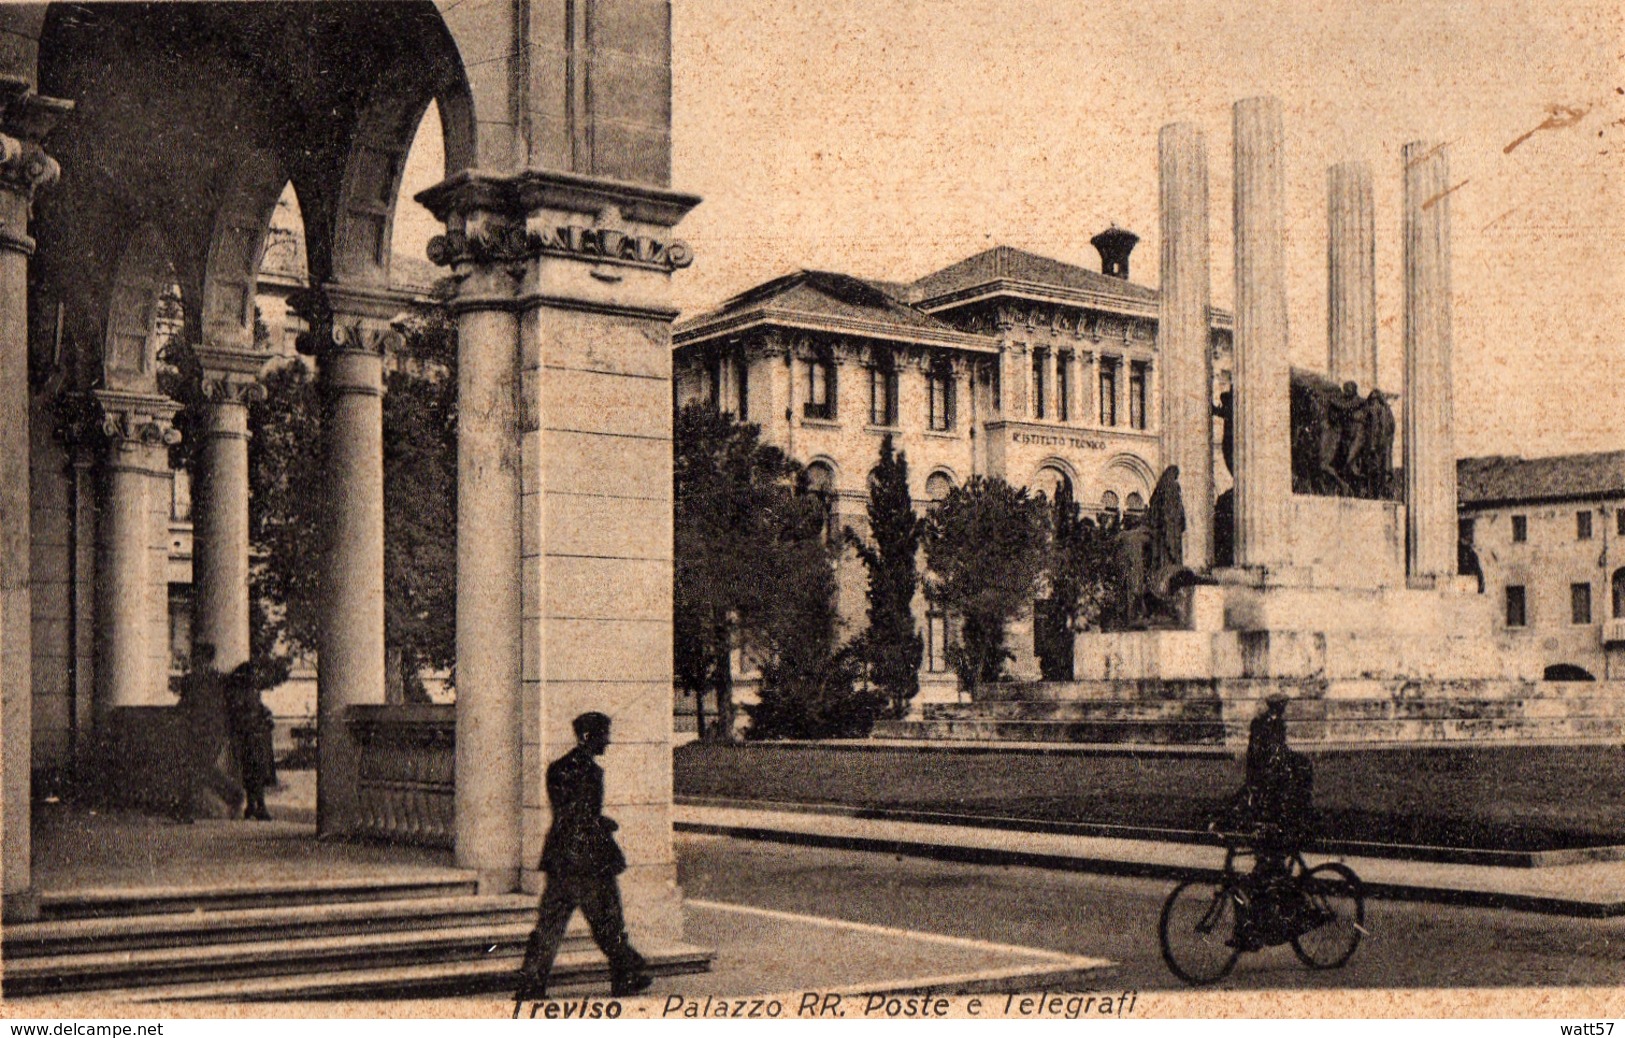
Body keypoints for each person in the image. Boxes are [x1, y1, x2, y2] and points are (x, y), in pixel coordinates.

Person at [514, 712, 652, 1013]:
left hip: (560, 857)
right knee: (608, 920)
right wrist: (603, 825)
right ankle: (627, 971)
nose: (608, 740)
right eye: (604, 734)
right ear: (589, 737)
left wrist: (596, 822)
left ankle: (530, 985)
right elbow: (582, 818)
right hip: (588, 861)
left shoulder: (557, 768)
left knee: (550, 924)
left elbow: (566, 813)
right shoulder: (591, 772)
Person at [1230, 694, 1315, 949]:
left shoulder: (1287, 765)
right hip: (1270, 814)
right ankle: (1254, 929)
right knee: (1256, 877)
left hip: (1284, 817)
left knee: (1266, 874)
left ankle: (1280, 920)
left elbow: (1279, 784)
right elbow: (1253, 780)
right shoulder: (1266, 746)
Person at [226, 662, 274, 821]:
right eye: (254, 674)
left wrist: (266, 714)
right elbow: (242, 716)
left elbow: (259, 710)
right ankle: (257, 805)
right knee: (255, 771)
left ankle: (254, 805)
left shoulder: (252, 693)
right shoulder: (243, 694)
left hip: (257, 736)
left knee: (257, 771)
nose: (257, 677)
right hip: (252, 737)